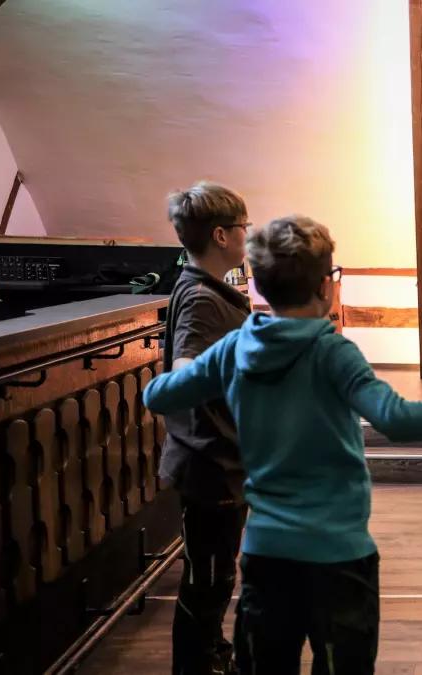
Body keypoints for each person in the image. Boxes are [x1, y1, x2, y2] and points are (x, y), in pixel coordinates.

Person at [144, 215, 422, 675]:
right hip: (338, 559)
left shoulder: (233, 349)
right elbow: (396, 418)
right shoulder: (333, 353)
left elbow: (157, 395)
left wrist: (197, 369)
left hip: (267, 555)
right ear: (326, 288)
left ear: (259, 286)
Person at [160, 181, 251, 675]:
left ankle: (211, 654)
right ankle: (199, 665)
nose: (246, 235)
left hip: (221, 457)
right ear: (220, 235)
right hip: (210, 461)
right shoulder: (200, 298)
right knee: (208, 579)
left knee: (214, 574)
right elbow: (183, 372)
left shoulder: (210, 290)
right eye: (243, 227)